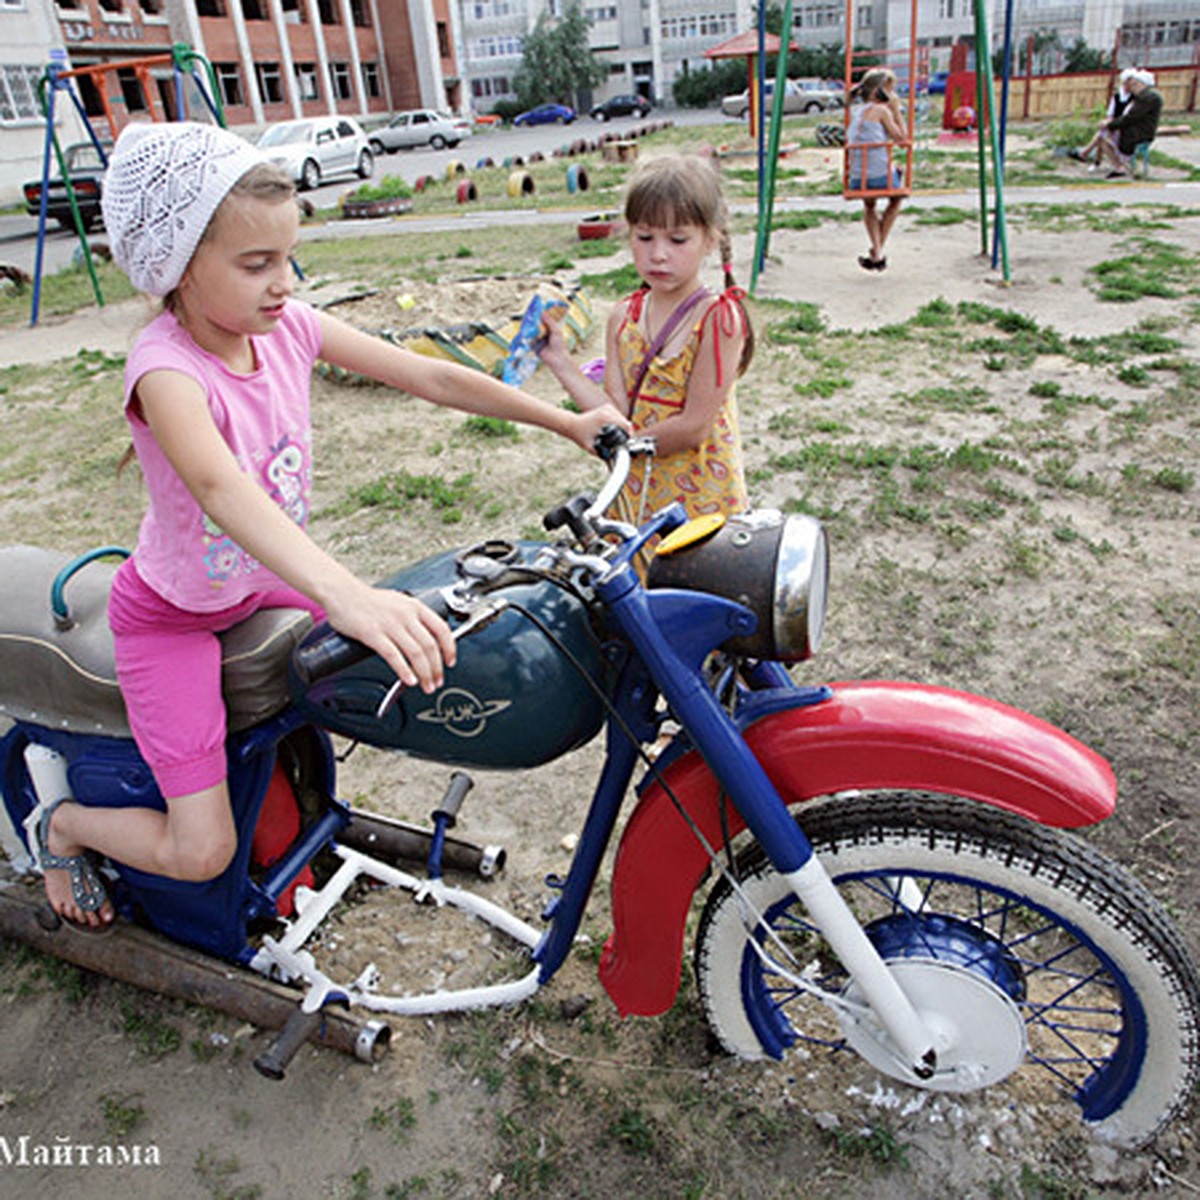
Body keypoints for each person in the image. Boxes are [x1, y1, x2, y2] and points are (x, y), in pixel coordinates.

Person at [30, 121, 630, 928]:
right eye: (256, 265)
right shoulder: (165, 367)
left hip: (264, 580)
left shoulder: (288, 328)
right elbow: (218, 487)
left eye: (287, 258)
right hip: (173, 618)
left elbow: (427, 373)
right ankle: (62, 827)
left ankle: (294, 812)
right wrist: (346, 593)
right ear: (178, 266)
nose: (284, 283)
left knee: (399, 670)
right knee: (199, 847)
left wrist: (566, 421)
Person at [537, 153, 751, 540]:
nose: (658, 254)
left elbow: (693, 428)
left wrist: (619, 445)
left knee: (693, 593)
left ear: (710, 239)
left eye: (678, 239)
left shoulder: (720, 319)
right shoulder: (623, 317)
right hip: (635, 493)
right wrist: (561, 362)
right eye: (645, 237)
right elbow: (614, 412)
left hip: (701, 499)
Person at [845, 68, 908, 272]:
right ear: (879, 92)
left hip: (857, 177)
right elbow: (902, 140)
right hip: (879, 176)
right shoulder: (882, 111)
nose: (892, 96)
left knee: (870, 204)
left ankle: (877, 253)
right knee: (896, 197)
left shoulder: (857, 111)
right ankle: (878, 249)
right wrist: (897, 110)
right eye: (890, 91)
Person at [1095, 69, 1162, 178]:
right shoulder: (1147, 96)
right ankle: (1119, 165)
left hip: (1139, 134)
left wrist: (1110, 125)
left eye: (1134, 84)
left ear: (1142, 84)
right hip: (1139, 130)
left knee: (1104, 138)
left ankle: (1119, 167)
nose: (1132, 87)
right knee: (1103, 135)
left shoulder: (1147, 98)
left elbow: (1131, 117)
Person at [1070, 68, 1136, 170]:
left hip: (1125, 126)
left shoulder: (1135, 98)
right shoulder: (1117, 96)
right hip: (1115, 124)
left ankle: (1090, 157)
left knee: (1102, 134)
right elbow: (1110, 113)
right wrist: (1107, 121)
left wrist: (1110, 122)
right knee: (1102, 131)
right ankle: (1089, 157)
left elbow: (1126, 116)